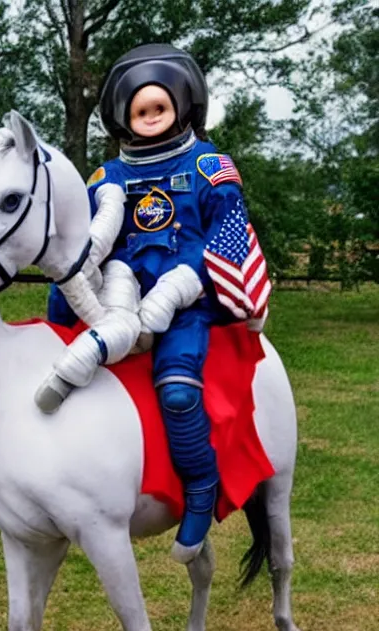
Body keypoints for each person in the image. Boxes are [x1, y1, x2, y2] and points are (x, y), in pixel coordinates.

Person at [45, 43, 271, 563]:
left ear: (182, 103)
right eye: (139, 109)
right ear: (123, 115)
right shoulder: (107, 177)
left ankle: (199, 488)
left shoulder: (210, 166)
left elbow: (227, 239)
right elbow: (86, 244)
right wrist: (66, 300)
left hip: (189, 299)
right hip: (118, 300)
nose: (149, 116)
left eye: (158, 106)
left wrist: (180, 288)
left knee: (175, 388)